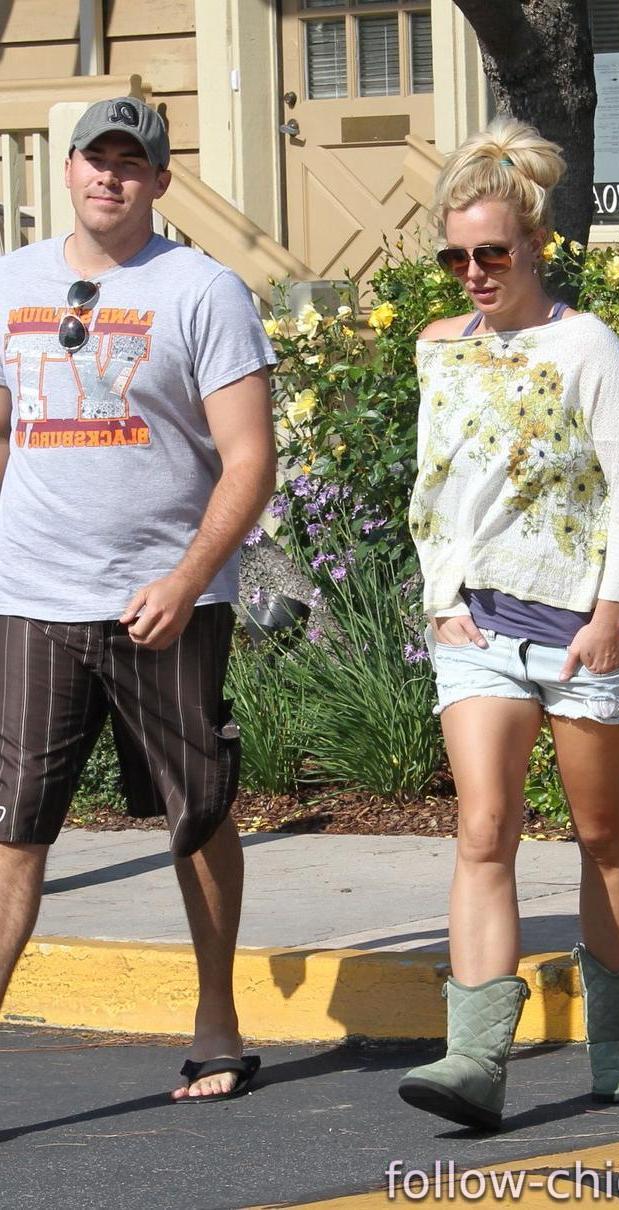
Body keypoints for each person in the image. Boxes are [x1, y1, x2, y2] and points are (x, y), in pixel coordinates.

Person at [0, 97, 277, 1103]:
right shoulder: (11, 282)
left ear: (159, 180)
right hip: (34, 599)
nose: (109, 176)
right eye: (95, 158)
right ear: (68, 168)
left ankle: (217, 1021)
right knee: (14, 829)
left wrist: (188, 580)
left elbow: (250, 459)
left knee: (196, 812)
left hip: (164, 606)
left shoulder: (203, 291)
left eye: (131, 161)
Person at [398, 118, 619, 1130]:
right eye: (455, 257)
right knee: (482, 829)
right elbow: (434, 489)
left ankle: (616, 1041)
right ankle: (475, 1060)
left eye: (491, 254)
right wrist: (442, 602)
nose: (472, 272)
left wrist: (609, 614)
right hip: (481, 636)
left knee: (601, 834)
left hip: (584, 635)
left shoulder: (585, 345)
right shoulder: (438, 350)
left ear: (536, 245)